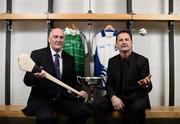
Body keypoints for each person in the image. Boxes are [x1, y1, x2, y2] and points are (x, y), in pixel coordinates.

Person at [22, 28, 90, 124]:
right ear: (49, 39)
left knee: (83, 111)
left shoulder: (69, 58)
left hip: (63, 99)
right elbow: (27, 81)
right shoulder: (37, 54)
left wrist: (80, 91)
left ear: (64, 40)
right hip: (42, 99)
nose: (58, 40)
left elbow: (73, 83)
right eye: (55, 37)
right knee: (46, 118)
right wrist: (35, 77)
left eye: (61, 37)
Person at [92, 30, 152, 124]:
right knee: (96, 104)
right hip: (118, 97)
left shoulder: (142, 61)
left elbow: (148, 86)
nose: (124, 42)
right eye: (120, 40)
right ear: (116, 44)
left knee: (136, 108)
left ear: (131, 43)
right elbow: (109, 84)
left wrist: (145, 84)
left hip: (135, 98)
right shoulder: (112, 61)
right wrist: (113, 97)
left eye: (127, 39)